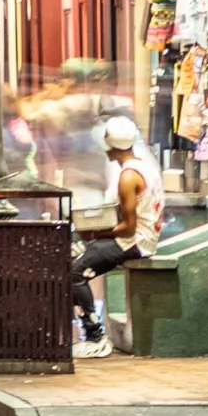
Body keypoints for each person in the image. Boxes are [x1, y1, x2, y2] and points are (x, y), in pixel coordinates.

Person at [73, 116, 159, 353]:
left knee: (74, 272)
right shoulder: (142, 166)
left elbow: (129, 227)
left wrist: (94, 233)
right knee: (72, 257)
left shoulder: (128, 177)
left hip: (134, 242)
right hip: (138, 238)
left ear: (110, 145)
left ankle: (95, 337)